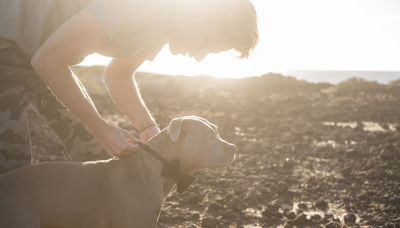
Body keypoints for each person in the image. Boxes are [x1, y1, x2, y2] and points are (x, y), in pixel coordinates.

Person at [0, 0, 258, 174]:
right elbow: (48, 61)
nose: (201, 57)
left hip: (36, 54)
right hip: (7, 46)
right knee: (13, 175)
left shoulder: (164, 27)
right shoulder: (140, 8)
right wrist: (101, 129)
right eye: (208, 45)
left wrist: (148, 130)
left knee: (96, 151)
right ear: (203, 19)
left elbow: (118, 75)